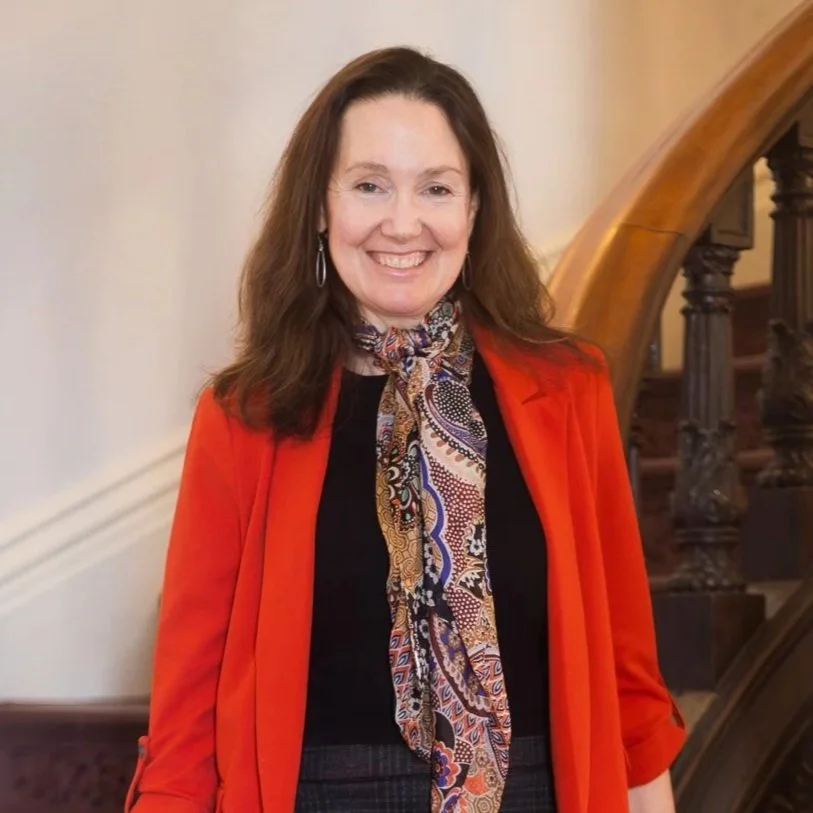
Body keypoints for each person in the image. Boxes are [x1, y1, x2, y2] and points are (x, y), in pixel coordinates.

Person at [124, 46, 685, 813]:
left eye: (436, 188)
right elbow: (184, 720)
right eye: (368, 185)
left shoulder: (566, 393)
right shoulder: (242, 419)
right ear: (320, 208)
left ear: (474, 208)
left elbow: (629, 685)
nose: (402, 221)